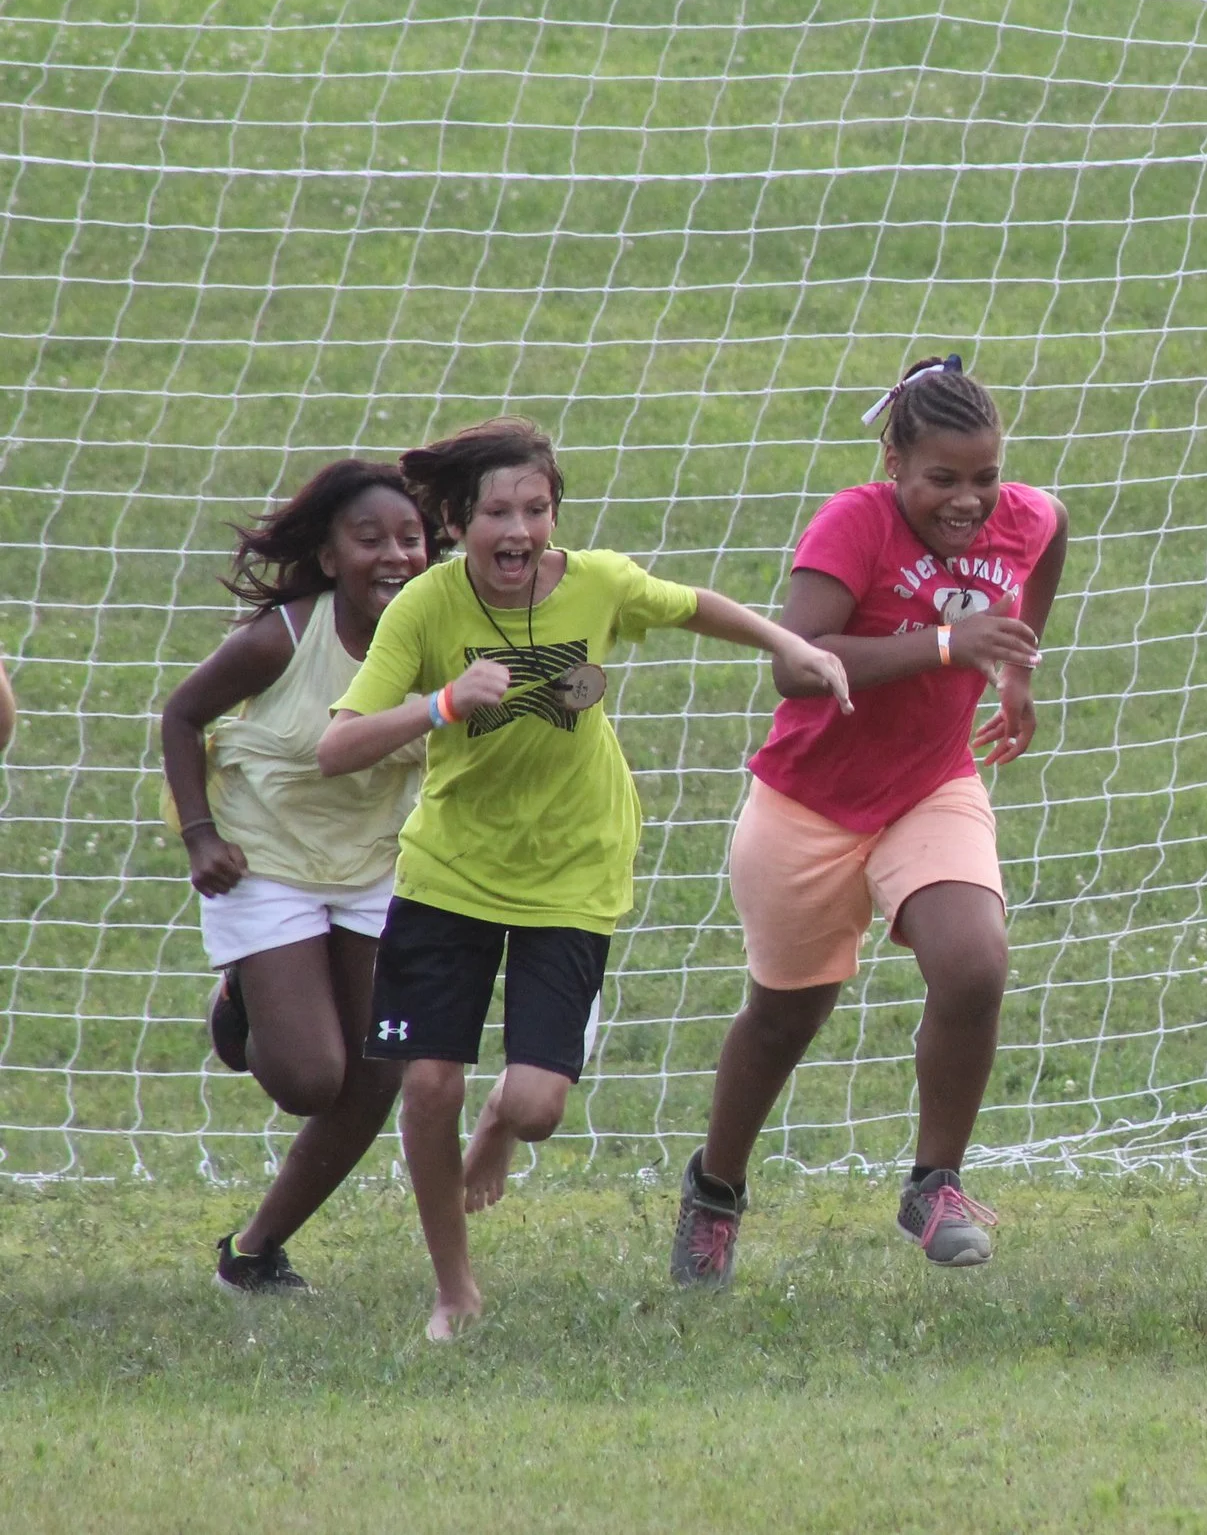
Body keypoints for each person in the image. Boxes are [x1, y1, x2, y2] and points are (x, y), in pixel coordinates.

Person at [318, 417, 849, 1339]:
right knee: (426, 1083)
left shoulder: (596, 583)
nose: (517, 529)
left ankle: (500, 1123)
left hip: (575, 867)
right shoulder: (425, 609)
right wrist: (441, 702)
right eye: (496, 512)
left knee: (537, 1105)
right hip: (450, 872)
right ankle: (455, 1290)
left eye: (536, 508)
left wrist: (785, 646)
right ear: (456, 523)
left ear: (555, 515)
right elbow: (336, 746)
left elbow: (690, 605)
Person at [670, 355, 1067, 1285]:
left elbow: (1051, 537)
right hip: (807, 803)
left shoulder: (1020, 514)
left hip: (931, 785)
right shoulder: (855, 520)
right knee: (784, 1017)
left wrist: (1016, 668)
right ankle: (715, 1192)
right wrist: (943, 644)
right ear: (894, 460)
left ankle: (936, 1182)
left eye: (984, 475)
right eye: (942, 478)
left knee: (974, 963)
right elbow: (796, 658)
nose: (968, 500)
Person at [160, 461, 442, 1294]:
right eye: (370, 539)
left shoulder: (439, 632)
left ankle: (254, 1253)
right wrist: (200, 835)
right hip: (264, 861)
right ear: (328, 558)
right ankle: (240, 1004)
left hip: (374, 868)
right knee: (310, 1077)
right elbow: (181, 714)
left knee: (378, 1071)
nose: (394, 555)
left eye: (409, 538)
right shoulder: (283, 636)